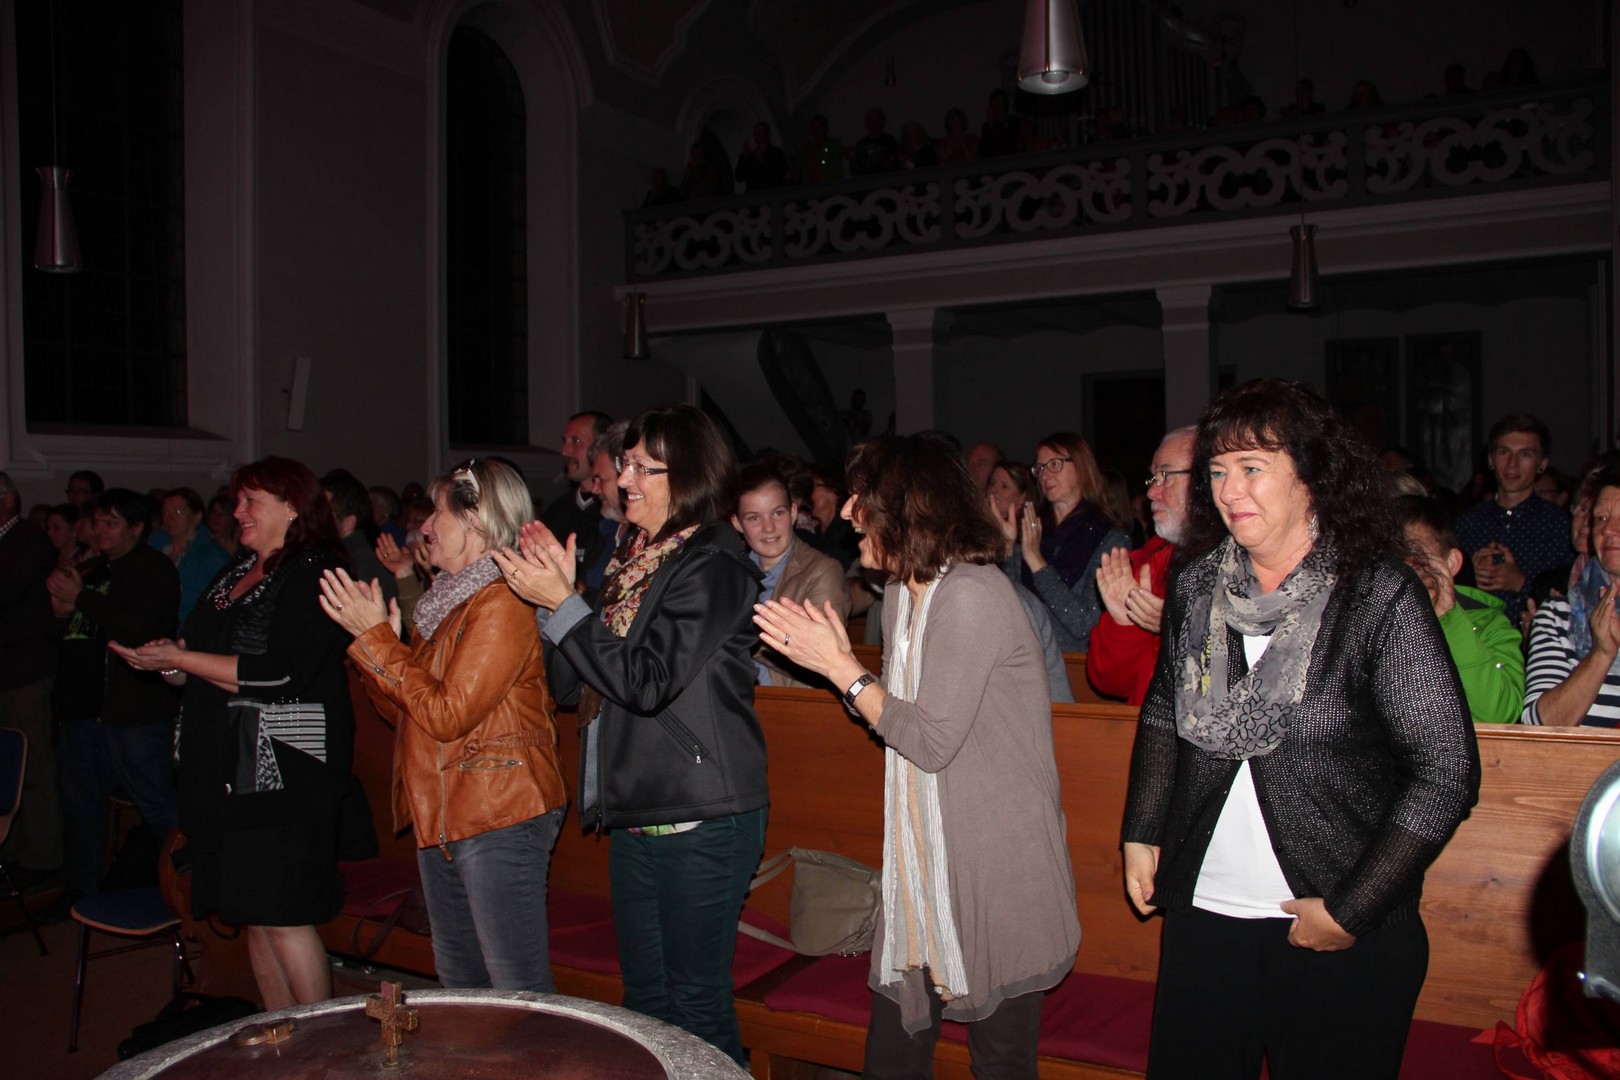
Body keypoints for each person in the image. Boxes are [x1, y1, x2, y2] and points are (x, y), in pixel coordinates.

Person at [1121, 379, 1480, 1079]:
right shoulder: (1197, 585)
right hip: (1205, 915)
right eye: (1217, 472)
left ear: (1311, 476)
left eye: (1251, 468)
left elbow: (1446, 772)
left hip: (1328, 924)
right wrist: (1142, 828)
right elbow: (1165, 710)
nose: (1229, 491)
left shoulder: (1376, 595)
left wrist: (1352, 910)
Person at [754, 435, 1079, 1079]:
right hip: (923, 862)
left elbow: (928, 741)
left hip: (994, 868)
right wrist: (841, 670)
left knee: (1001, 1063)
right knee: (893, 1055)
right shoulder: (906, 592)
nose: (849, 512)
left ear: (907, 509)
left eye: (862, 499)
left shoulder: (972, 594)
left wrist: (842, 670)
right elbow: (895, 716)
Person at [495, 404, 767, 1064]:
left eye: (645, 468)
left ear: (690, 474)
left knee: (696, 1000)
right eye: (625, 465)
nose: (624, 480)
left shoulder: (715, 562)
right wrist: (553, 607)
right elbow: (573, 688)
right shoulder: (633, 558)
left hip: (702, 809)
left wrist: (565, 606)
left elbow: (647, 681)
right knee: (645, 998)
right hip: (639, 804)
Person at [111, 457, 354, 1010]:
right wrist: (169, 664)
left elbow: (283, 672)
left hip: (283, 769)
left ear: (291, 506)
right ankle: (285, 1037)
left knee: (283, 915)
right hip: (225, 765)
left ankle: (323, 1043)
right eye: (238, 499)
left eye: (251, 501)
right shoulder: (236, 570)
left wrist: (184, 660)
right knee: (252, 914)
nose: (237, 510)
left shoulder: (314, 570)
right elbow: (203, 655)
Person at [321, 459, 568, 991]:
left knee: (516, 988)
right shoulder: (445, 602)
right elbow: (409, 717)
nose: (424, 526)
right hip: (442, 807)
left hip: (498, 807)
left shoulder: (502, 599)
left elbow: (448, 714)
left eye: (438, 512)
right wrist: (374, 650)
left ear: (476, 519)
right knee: (460, 981)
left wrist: (378, 643)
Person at [49, 489, 182, 899]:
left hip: (134, 711)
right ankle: (83, 890)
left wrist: (81, 599)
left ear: (137, 527)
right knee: (81, 804)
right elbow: (71, 628)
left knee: (156, 804)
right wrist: (63, 609)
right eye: (97, 523)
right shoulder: (93, 569)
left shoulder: (152, 569)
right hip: (84, 708)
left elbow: (140, 630)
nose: (101, 530)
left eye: (112, 523)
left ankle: (185, 888)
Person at [1088, 427, 1195, 706]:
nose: (1151, 492)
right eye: (1153, 478)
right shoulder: (1153, 563)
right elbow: (1109, 683)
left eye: (1165, 476)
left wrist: (1181, 626)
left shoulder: (1246, 563)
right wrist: (1125, 625)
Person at [1396, 495, 1524, 725]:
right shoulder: (1359, 620)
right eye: (1392, 555)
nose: (1405, 566)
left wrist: (1448, 618)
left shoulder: (1488, 625)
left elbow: (1500, 714)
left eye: (1416, 555)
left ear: (1451, 563)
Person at [1000, 432, 1130, 650]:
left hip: (1074, 662)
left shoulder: (1109, 537)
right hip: (1029, 657)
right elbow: (1011, 607)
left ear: (1081, 468)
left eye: (1054, 464)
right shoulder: (1033, 528)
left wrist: (1037, 563)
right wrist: (1008, 547)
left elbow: (1084, 623)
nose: (1044, 475)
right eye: (1040, 468)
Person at [731, 463, 849, 688]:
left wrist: (737, 641)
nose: (769, 527)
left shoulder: (822, 571)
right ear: (737, 523)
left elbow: (820, 663)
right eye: (754, 518)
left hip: (788, 703)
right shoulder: (728, 572)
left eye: (778, 513)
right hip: (732, 696)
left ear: (793, 512)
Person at [1521, 463, 1620, 727]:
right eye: (1601, 518)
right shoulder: (1558, 616)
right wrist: (1601, 654)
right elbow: (1540, 726)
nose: (1608, 529)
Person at [0, 471, 61, 886]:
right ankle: (12, 850)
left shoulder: (27, 540)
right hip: (7, 671)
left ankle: (42, 860)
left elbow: (7, 591)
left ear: (7, 499)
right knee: (7, 768)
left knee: (33, 766)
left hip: (24, 671)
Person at [1455, 414, 1572, 625]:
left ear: (1542, 464)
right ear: (1491, 459)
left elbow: (1570, 599)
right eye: (1504, 452)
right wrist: (1468, 577)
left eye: (1525, 454)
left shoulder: (1559, 525)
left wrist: (1520, 583)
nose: (1512, 464)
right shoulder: (1466, 523)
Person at [151, 486, 233, 625]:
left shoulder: (212, 556)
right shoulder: (153, 547)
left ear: (197, 516)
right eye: (165, 512)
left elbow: (218, 604)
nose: (169, 518)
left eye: (177, 511)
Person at [735, 121, 789, 193]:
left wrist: (761, 160)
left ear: (767, 133)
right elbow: (739, 177)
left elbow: (779, 174)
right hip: (754, 195)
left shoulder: (777, 153)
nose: (758, 134)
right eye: (756, 132)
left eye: (760, 131)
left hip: (771, 194)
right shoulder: (751, 156)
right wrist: (744, 156)